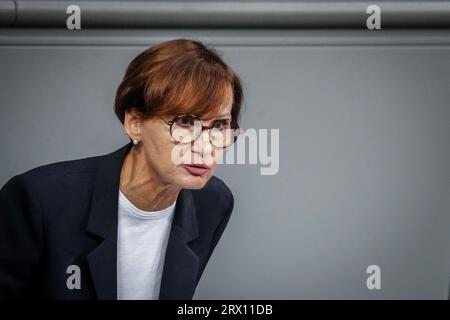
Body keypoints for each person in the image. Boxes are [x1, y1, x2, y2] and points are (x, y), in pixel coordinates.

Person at [0, 38, 244, 300]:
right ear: (135, 123)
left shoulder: (212, 201)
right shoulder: (39, 199)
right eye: (185, 122)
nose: (205, 147)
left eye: (219, 126)